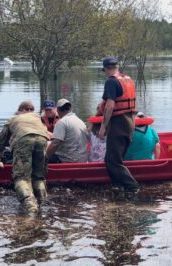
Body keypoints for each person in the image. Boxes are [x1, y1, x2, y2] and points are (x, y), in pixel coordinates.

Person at [0, 101, 49, 214]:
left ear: (19, 110)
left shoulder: (13, 119)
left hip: (23, 140)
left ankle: (30, 206)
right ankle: (42, 203)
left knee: (21, 178)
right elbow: (46, 133)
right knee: (38, 177)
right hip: (42, 139)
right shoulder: (38, 118)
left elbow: (0, 143)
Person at [98, 57, 139, 198]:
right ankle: (117, 186)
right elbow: (133, 108)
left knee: (113, 160)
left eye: (104, 70)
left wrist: (103, 127)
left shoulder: (111, 81)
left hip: (118, 123)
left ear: (107, 69)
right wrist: (132, 126)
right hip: (129, 123)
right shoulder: (128, 79)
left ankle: (132, 186)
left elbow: (109, 105)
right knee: (111, 159)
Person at [47, 99, 89, 163]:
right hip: (83, 159)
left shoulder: (62, 122)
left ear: (57, 110)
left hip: (68, 160)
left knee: (41, 155)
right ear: (71, 109)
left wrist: (45, 156)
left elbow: (55, 144)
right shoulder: (80, 121)